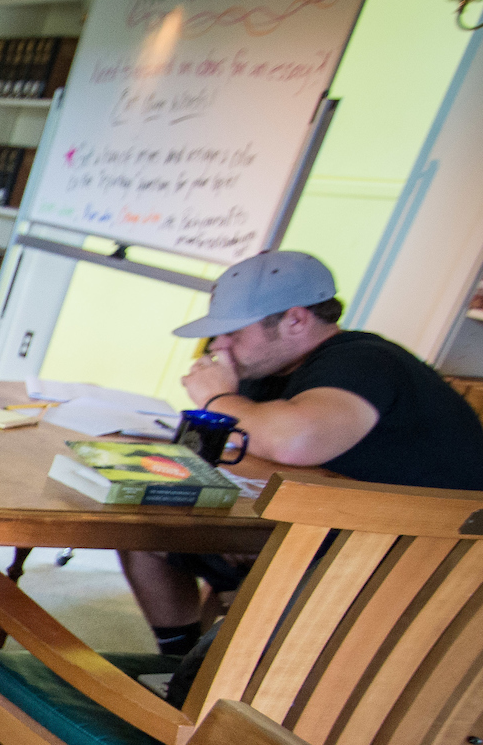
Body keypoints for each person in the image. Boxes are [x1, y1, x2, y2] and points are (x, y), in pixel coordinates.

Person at [121, 251, 483, 653]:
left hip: (412, 563)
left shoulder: (364, 362)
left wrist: (217, 397)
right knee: (145, 533)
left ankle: (196, 686)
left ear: (295, 320)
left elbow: (292, 442)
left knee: (235, 627)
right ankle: (178, 662)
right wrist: (227, 522)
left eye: (234, 332)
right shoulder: (267, 372)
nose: (218, 346)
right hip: (332, 532)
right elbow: (235, 454)